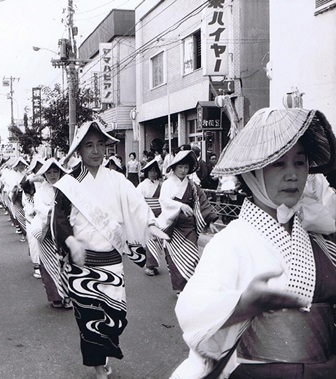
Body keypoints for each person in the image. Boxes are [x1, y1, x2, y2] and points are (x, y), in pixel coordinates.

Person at [170, 108, 336, 379]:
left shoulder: (316, 235)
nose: (293, 174)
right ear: (254, 172)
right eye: (279, 163)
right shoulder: (232, 241)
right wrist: (242, 304)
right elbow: (190, 309)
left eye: (300, 162)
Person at [52, 120, 168, 379]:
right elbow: (58, 219)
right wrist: (70, 241)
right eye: (89, 146)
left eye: (100, 144)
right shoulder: (69, 184)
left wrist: (151, 223)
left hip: (112, 263)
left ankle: (102, 355)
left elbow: (137, 205)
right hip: (82, 266)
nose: (95, 151)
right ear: (79, 151)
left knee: (116, 316)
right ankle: (98, 367)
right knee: (89, 319)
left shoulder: (118, 180)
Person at [157, 149, 219, 294]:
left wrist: (210, 221)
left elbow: (202, 202)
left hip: (189, 225)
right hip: (173, 225)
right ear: (174, 167)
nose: (183, 170)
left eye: (186, 167)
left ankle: (189, 286)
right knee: (175, 257)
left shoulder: (192, 185)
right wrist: (181, 205)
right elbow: (163, 200)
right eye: (180, 167)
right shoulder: (167, 184)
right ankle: (180, 288)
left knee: (191, 256)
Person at [30, 158, 72, 309]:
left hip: (63, 231)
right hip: (46, 231)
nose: (53, 175)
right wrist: (53, 213)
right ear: (45, 174)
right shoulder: (40, 192)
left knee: (66, 264)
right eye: (49, 172)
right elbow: (39, 208)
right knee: (49, 264)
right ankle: (55, 296)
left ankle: (67, 296)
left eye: (56, 171)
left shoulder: (67, 189)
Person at [136, 158, 164, 276]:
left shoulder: (162, 185)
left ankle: (153, 263)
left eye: (155, 171)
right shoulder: (142, 186)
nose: (153, 173)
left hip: (160, 215)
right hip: (148, 214)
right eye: (151, 171)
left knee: (157, 240)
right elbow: (137, 200)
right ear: (147, 172)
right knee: (150, 240)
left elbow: (164, 200)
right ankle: (150, 265)